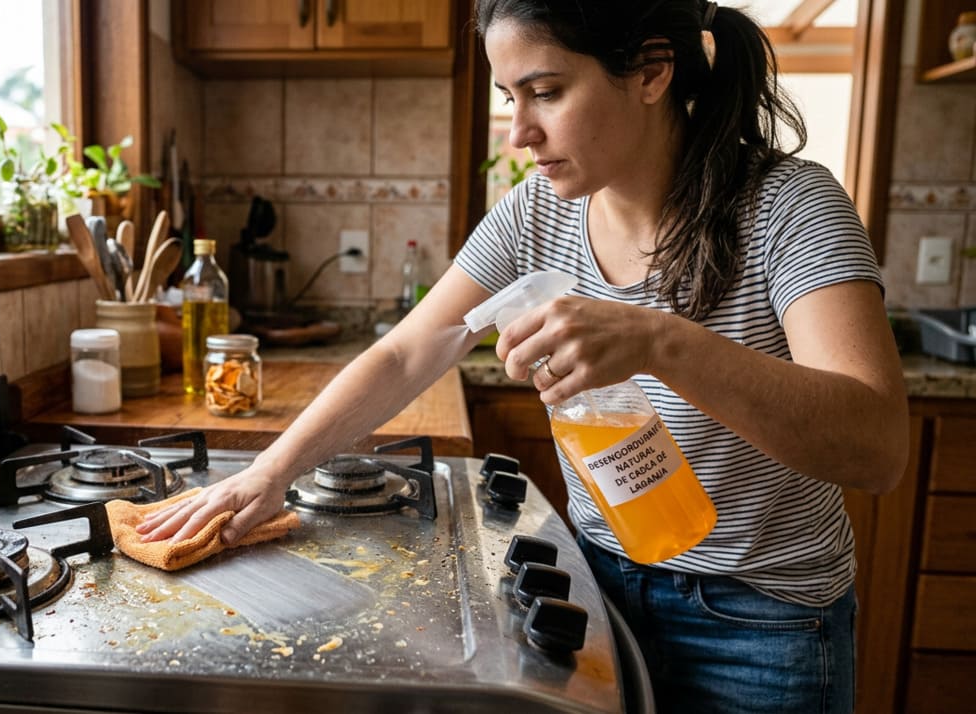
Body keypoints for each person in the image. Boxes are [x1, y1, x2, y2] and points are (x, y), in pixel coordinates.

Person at [139, 1, 909, 711]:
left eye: (545, 91)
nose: (519, 132)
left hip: (760, 623)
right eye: (511, 97)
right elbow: (412, 350)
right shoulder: (538, 211)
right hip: (596, 591)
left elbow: (876, 448)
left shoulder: (789, 205)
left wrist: (660, 341)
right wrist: (272, 472)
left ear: (650, 71)